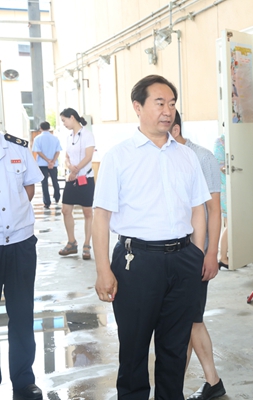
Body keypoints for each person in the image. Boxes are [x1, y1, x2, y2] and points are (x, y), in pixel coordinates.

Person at [92, 75, 211, 400]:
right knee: (134, 350)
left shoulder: (185, 156)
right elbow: (101, 217)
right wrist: (103, 269)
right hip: (137, 262)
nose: (167, 110)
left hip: (183, 260)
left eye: (171, 104)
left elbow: (198, 209)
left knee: (174, 349)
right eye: (159, 103)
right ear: (138, 106)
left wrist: (196, 255)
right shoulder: (119, 156)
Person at [169, 110, 226, 400]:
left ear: (175, 129)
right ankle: (202, 383)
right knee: (185, 321)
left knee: (191, 319)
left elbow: (214, 210)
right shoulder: (163, 156)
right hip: (170, 254)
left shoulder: (201, 157)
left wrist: (211, 252)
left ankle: (207, 382)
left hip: (195, 253)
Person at [0, 133, 44, 399]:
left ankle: (23, 380)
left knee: (22, 314)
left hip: (20, 243)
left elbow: (28, 188)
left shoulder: (16, 149)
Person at [58, 108, 95, 260]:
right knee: (65, 210)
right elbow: (66, 156)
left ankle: (87, 244)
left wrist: (76, 170)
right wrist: (69, 166)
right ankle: (71, 242)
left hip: (85, 178)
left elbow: (88, 156)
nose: (63, 124)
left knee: (88, 213)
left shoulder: (87, 135)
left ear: (72, 117)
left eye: (64, 120)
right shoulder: (69, 137)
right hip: (71, 179)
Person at [32, 121, 62, 209]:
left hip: (42, 164)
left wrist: (47, 160)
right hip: (53, 164)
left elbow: (37, 151)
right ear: (49, 128)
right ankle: (57, 197)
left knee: (44, 182)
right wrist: (52, 161)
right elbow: (58, 151)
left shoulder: (37, 138)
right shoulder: (55, 138)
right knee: (55, 181)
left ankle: (47, 202)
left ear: (40, 128)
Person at [213, 134, 228, 269]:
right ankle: (222, 257)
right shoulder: (220, 142)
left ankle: (227, 255)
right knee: (231, 224)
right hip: (225, 189)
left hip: (232, 188)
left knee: (232, 224)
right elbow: (220, 166)